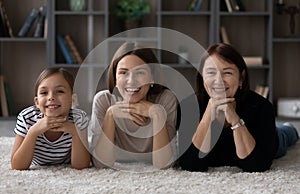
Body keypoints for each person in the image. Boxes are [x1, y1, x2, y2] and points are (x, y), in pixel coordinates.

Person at [178, 43, 299, 172]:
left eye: (228, 73)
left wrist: (235, 120)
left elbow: (257, 165)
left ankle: (289, 129)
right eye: (211, 72)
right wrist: (207, 117)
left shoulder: (261, 107)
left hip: (270, 139)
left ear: (241, 78)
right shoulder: (188, 107)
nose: (218, 81)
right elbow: (190, 164)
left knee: (284, 136)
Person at [90, 41, 178, 169]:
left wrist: (158, 114)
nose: (131, 81)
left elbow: (164, 166)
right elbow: (101, 164)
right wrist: (110, 115)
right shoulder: (103, 100)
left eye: (140, 72)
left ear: (152, 77)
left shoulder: (165, 99)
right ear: (115, 78)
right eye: (123, 72)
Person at [11, 68, 91, 170]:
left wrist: (75, 132)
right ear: (37, 102)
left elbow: (82, 166)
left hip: (66, 162)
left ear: (72, 100)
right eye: (44, 93)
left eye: (60, 91)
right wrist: (32, 132)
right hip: (36, 162)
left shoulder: (79, 118)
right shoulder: (27, 118)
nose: (51, 97)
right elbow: (17, 166)